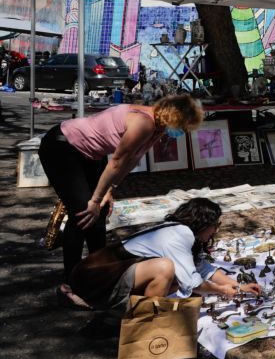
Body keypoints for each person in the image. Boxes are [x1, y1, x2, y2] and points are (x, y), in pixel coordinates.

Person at [38, 93, 204, 307]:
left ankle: (97, 274)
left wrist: (110, 191)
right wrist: (95, 199)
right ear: (173, 117)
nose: (181, 132)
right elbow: (116, 161)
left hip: (90, 156)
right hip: (62, 147)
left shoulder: (157, 128)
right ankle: (72, 281)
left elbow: (131, 160)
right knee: (82, 214)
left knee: (99, 216)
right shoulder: (144, 122)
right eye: (183, 126)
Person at [69, 197, 260, 313]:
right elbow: (193, 282)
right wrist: (223, 291)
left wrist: (238, 286)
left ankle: (125, 314)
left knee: (176, 278)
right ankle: (147, 323)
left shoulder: (186, 235)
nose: (216, 230)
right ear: (203, 223)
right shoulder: (179, 234)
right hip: (92, 278)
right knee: (165, 268)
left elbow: (203, 269)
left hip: (102, 276)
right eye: (216, 225)